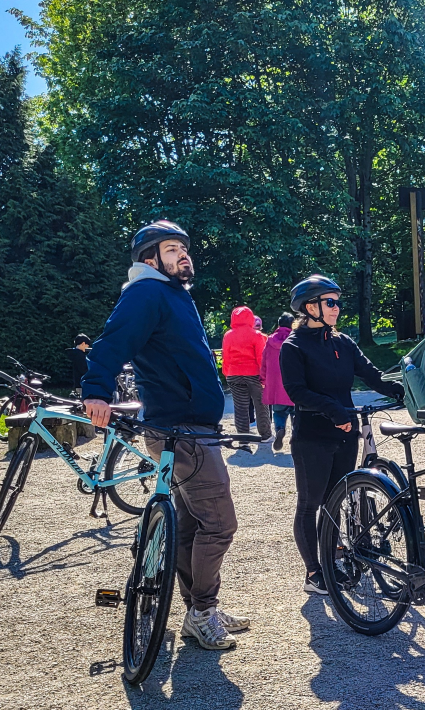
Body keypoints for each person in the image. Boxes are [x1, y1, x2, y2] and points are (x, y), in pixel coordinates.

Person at [80, 220, 248, 651]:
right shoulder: (147, 292)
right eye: (172, 249)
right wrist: (96, 390)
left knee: (191, 522)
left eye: (184, 248)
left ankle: (199, 608)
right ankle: (202, 612)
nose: (183, 254)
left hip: (189, 426)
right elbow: (112, 342)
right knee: (220, 523)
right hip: (180, 428)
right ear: (150, 259)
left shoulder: (174, 294)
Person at [279, 276, 402, 596]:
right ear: (310, 307)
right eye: (330, 302)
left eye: (338, 302)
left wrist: (397, 390)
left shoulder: (343, 343)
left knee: (336, 500)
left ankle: (333, 557)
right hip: (312, 437)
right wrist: (333, 410)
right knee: (311, 504)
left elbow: (371, 374)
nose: (337, 308)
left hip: (346, 435)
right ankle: (313, 572)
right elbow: (296, 391)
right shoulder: (293, 347)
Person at [221, 305, 270, 447]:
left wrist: (226, 373)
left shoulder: (228, 335)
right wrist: (265, 377)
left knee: (240, 407)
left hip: (233, 373)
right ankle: (265, 435)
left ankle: (243, 439)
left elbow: (226, 356)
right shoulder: (257, 335)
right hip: (254, 374)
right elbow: (261, 358)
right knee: (261, 405)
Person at [261, 312, 295, 454]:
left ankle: (280, 429)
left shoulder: (270, 340)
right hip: (294, 383)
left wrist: (263, 379)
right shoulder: (296, 339)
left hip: (276, 384)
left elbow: (264, 360)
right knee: (297, 412)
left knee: (279, 411)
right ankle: (296, 435)